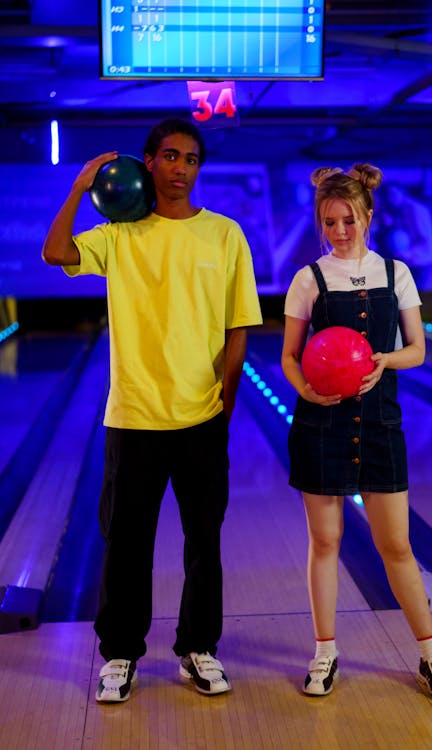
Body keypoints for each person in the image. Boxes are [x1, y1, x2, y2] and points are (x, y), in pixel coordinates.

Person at [42, 117, 263, 702]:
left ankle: (198, 648)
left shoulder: (225, 235)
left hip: (200, 419)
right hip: (134, 417)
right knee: (126, 544)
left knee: (203, 542)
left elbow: (239, 324)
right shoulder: (119, 235)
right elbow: (55, 251)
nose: (181, 168)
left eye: (191, 159)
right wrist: (78, 187)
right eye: (169, 156)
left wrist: (227, 401)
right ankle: (118, 656)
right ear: (148, 162)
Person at [281, 164, 432, 700]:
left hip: (380, 424)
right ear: (320, 222)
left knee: (396, 545)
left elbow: (418, 350)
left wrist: (384, 362)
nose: (340, 230)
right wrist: (305, 390)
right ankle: (324, 653)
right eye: (330, 221)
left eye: (349, 220)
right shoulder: (308, 278)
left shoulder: (395, 272)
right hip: (321, 423)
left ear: (368, 216)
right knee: (326, 541)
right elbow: (290, 356)